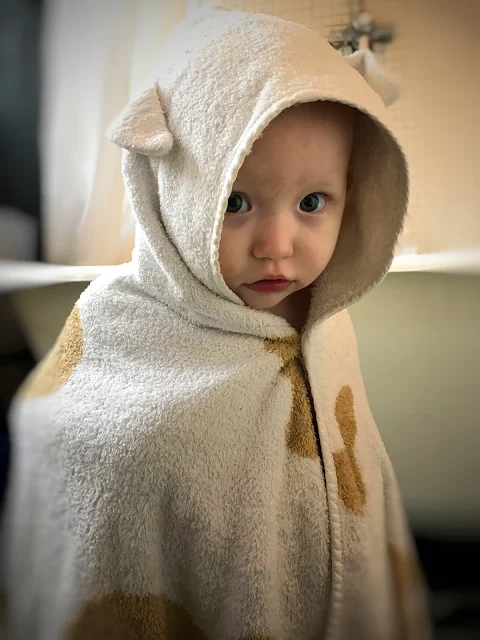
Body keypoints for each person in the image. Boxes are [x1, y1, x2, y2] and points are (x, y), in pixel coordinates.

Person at [2, 5, 432, 639]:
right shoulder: (119, 321)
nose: (277, 246)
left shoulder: (326, 324)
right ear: (175, 187)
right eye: (235, 202)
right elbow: (65, 443)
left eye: (313, 202)